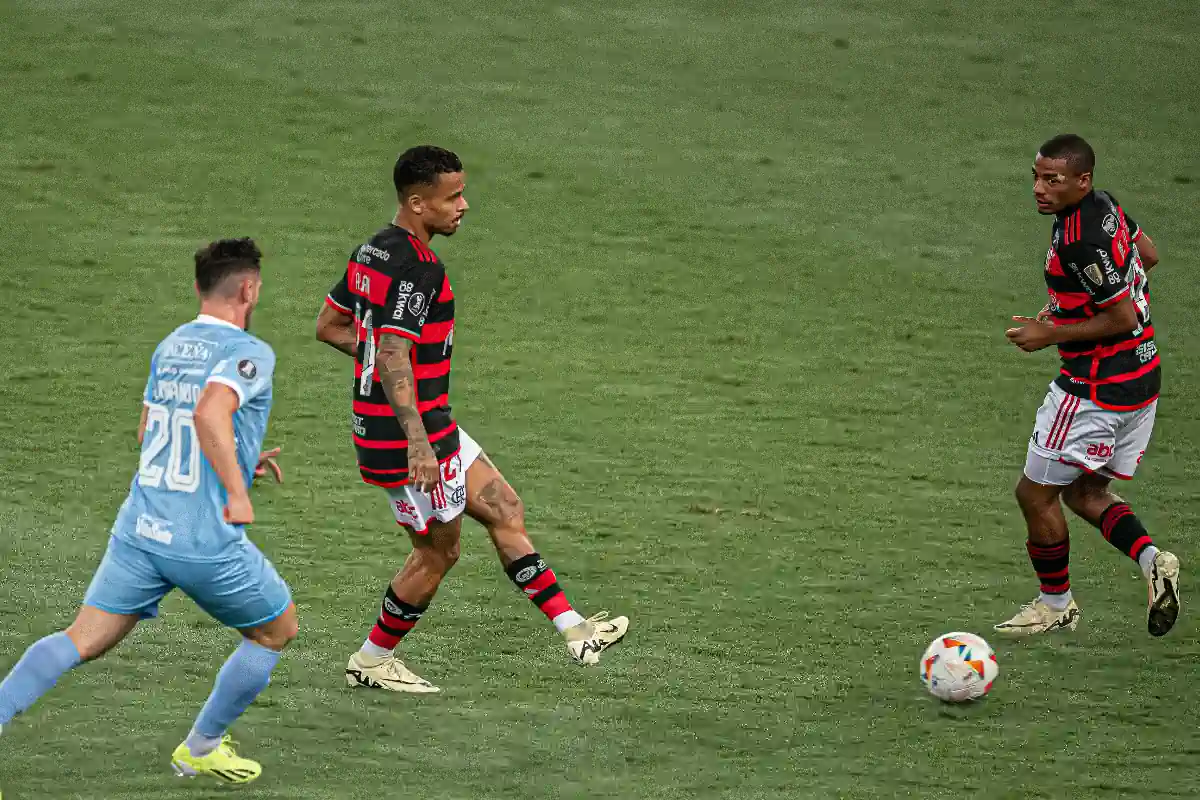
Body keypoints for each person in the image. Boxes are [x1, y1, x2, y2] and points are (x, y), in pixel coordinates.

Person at [315, 145, 629, 693]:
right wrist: (416, 439)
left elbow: (331, 325)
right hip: (411, 437)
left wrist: (383, 371)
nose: (464, 205)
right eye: (452, 196)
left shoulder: (373, 251)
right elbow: (389, 352)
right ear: (417, 203)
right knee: (438, 552)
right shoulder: (418, 267)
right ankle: (370, 660)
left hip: (426, 425)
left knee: (505, 506)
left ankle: (576, 630)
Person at [0, 238, 295, 784]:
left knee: (79, 639)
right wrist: (235, 488)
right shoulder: (250, 351)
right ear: (249, 288)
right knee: (275, 630)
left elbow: (150, 430)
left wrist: (237, 456)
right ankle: (200, 747)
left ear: (198, 287)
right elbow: (210, 414)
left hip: (140, 530)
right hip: (202, 539)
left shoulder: (171, 344)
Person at [996, 133, 1179, 637]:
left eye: (1052, 180)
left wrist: (1050, 332)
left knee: (1035, 495)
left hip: (1093, 389)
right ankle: (1153, 562)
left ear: (1082, 179)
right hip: (1142, 377)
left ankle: (1056, 604)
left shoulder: (1080, 241)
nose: (1039, 188)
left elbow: (1119, 316)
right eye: (1035, 176)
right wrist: (1068, 306)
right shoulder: (1105, 206)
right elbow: (1149, 256)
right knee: (1084, 491)